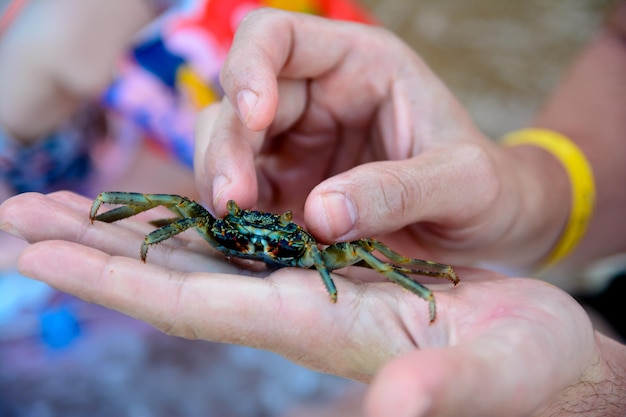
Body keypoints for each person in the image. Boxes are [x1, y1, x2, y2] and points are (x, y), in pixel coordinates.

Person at [1, 6, 625, 417]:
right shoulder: (226, 221)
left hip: (313, 252)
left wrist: (594, 386)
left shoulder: (317, 249)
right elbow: (178, 206)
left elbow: (362, 250)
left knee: (370, 257)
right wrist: (531, 194)